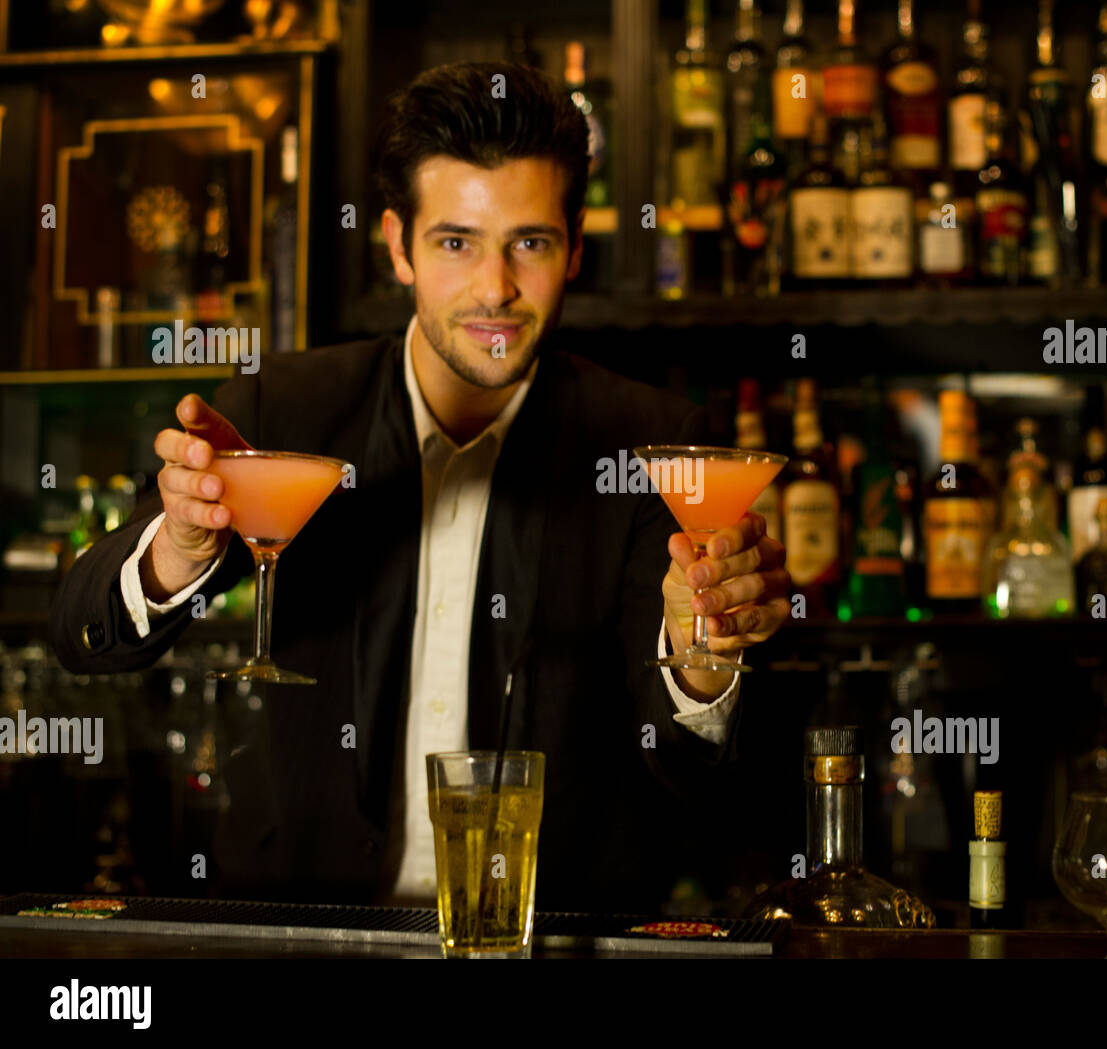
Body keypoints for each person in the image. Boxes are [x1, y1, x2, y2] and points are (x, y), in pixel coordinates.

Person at [52, 62, 792, 912]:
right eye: (456, 242)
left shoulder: (649, 443)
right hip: (297, 930)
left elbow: (692, 763)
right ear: (397, 246)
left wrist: (703, 649)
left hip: (547, 943)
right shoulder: (282, 409)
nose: (495, 288)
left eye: (531, 242)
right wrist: (178, 553)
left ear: (576, 247)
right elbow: (82, 634)